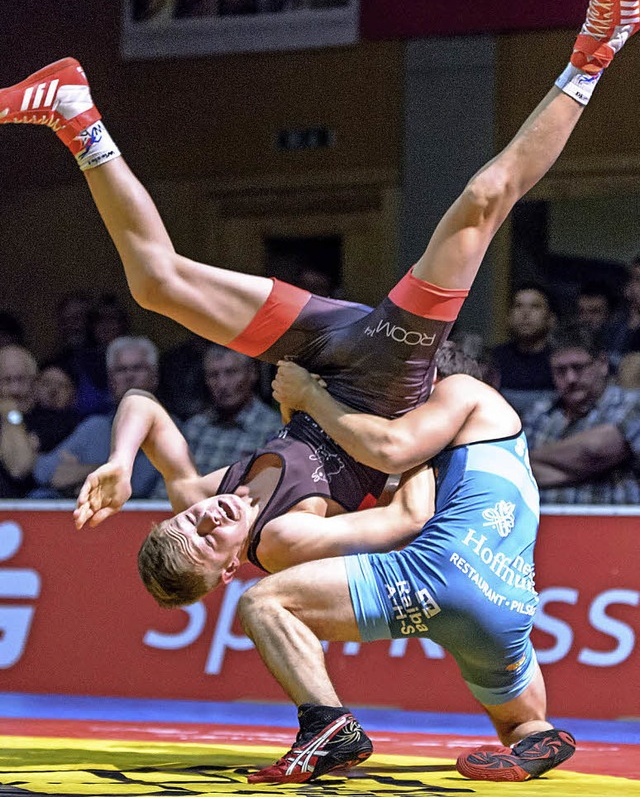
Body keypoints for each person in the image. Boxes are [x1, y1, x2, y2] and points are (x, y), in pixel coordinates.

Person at [1, 0, 637, 598]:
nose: (210, 516)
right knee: (483, 200)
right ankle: (600, 45)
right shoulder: (281, 541)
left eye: (190, 519)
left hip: (319, 354)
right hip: (382, 384)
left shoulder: (200, 487)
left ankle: (75, 114)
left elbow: (140, 403)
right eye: (210, 538)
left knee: (155, 283)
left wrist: (120, 458)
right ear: (226, 569)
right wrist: (415, 435)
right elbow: (405, 517)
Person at [235, 341, 576, 784]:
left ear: (425, 382)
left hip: (437, 573)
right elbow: (368, 487)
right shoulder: (472, 448)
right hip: (507, 607)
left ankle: (329, 728)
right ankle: (540, 737)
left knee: (264, 604)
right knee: (520, 725)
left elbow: (391, 452)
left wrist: (311, 398)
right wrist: (299, 411)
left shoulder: (462, 389)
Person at [523, 322, 640, 504]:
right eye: (560, 371)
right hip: (548, 528)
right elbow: (518, 474)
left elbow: (593, 451)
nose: (570, 379)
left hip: (614, 528)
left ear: (602, 363)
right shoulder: (538, 414)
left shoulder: (631, 404)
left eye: (578, 367)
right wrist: (585, 467)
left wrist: (527, 460)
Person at [32, 336, 163, 498]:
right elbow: (43, 472)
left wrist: (81, 472)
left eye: (138, 368)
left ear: (155, 377)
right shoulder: (96, 426)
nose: (129, 376)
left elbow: (137, 483)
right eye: (120, 370)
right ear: (111, 381)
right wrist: (106, 473)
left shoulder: (170, 429)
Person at [181, 345, 281, 477]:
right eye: (213, 375)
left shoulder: (273, 429)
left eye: (231, 372)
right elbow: (167, 486)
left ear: (252, 373)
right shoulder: (195, 428)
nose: (222, 384)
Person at [491, 282, 557, 413]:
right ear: (508, 317)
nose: (525, 313)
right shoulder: (495, 359)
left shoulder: (562, 363)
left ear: (551, 318)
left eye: (535, 307)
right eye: (518, 306)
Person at [0, 344, 39, 497]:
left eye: (21, 380)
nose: (15, 390)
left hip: (30, 513)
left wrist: (11, 414)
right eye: (7, 381)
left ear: (34, 382)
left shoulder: (50, 419)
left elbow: (18, 468)